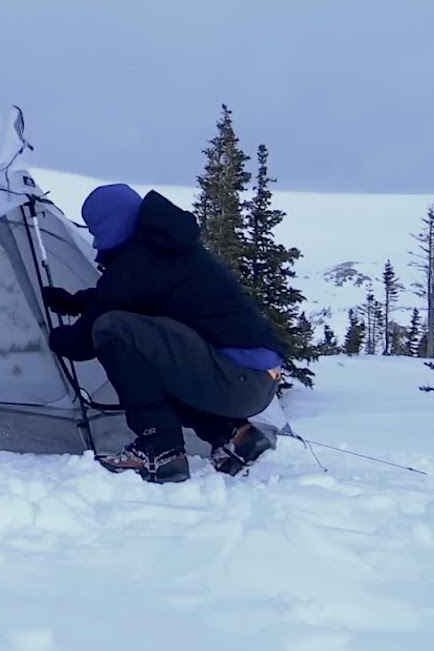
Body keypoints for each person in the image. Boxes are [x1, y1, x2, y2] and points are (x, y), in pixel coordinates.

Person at [43, 183, 285, 483]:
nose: (94, 240)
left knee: (112, 330)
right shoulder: (163, 248)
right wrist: (75, 303)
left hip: (234, 380)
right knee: (154, 357)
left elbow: (87, 338)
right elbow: (133, 297)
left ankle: (160, 449)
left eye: (95, 229)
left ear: (109, 223)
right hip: (253, 380)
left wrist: (50, 337)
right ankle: (235, 437)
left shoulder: (137, 262)